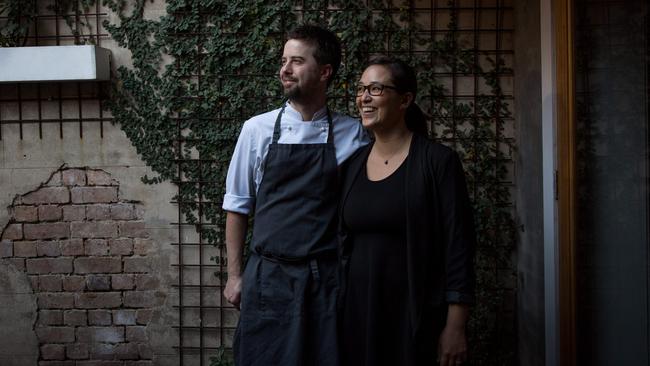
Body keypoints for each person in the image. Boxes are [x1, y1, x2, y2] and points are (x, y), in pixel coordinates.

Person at [221, 24, 368, 366]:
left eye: (297, 61)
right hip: (268, 278)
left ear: (324, 72)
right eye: (284, 60)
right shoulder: (256, 129)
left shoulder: (353, 134)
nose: (284, 69)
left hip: (326, 281)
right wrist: (234, 275)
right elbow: (237, 205)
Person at [339, 56, 476, 366]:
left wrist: (455, 325)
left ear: (405, 99)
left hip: (416, 316)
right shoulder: (351, 166)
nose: (364, 97)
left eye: (376, 88)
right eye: (361, 89)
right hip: (358, 315)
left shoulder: (437, 162)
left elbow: (459, 245)